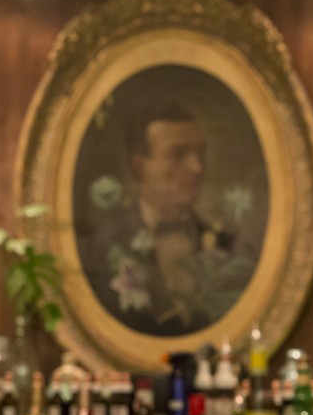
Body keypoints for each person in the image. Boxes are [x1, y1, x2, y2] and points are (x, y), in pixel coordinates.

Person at [85, 103, 258, 336]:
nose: (197, 168)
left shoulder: (226, 246)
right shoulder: (104, 246)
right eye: (178, 154)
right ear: (139, 167)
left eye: (200, 153)